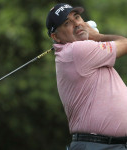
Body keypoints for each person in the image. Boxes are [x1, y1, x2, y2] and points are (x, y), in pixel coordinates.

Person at [46, 3, 127, 150]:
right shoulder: (77, 51)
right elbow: (125, 43)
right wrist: (97, 36)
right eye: (67, 23)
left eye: (77, 17)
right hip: (98, 145)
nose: (77, 24)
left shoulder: (77, 51)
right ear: (56, 37)